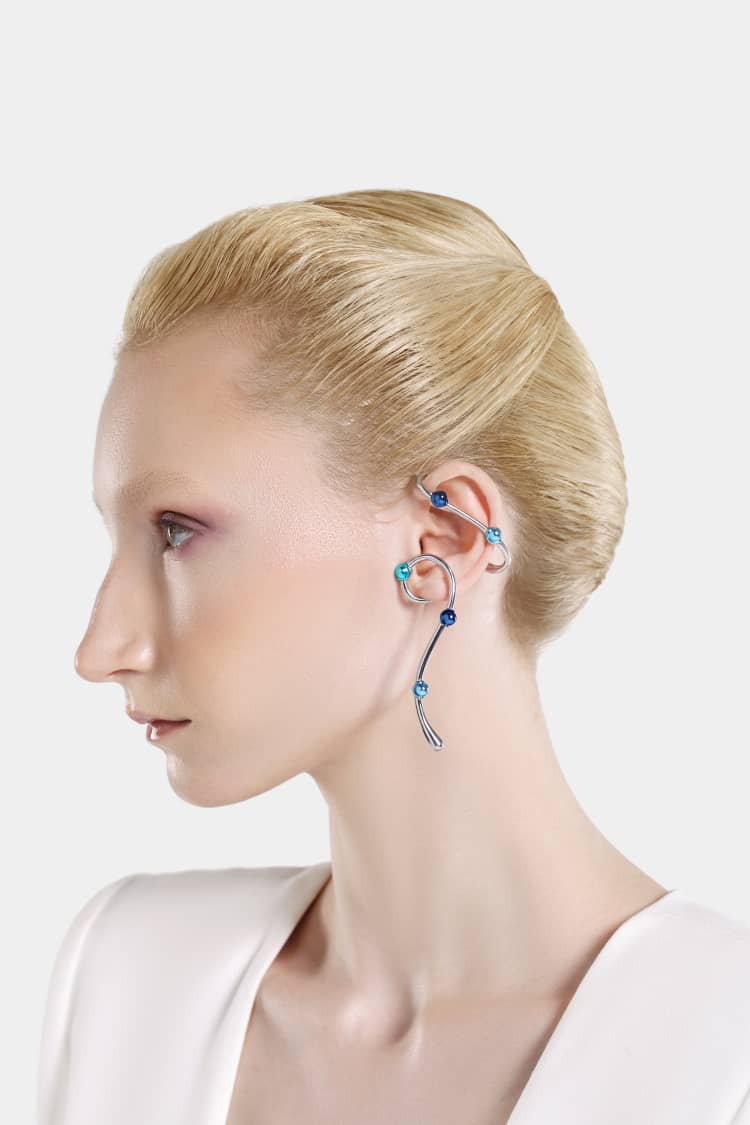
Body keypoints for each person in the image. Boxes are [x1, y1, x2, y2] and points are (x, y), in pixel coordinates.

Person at [37, 190, 750, 1124]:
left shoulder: (723, 1051)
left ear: (446, 539)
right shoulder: (126, 977)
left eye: (177, 530)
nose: (101, 649)